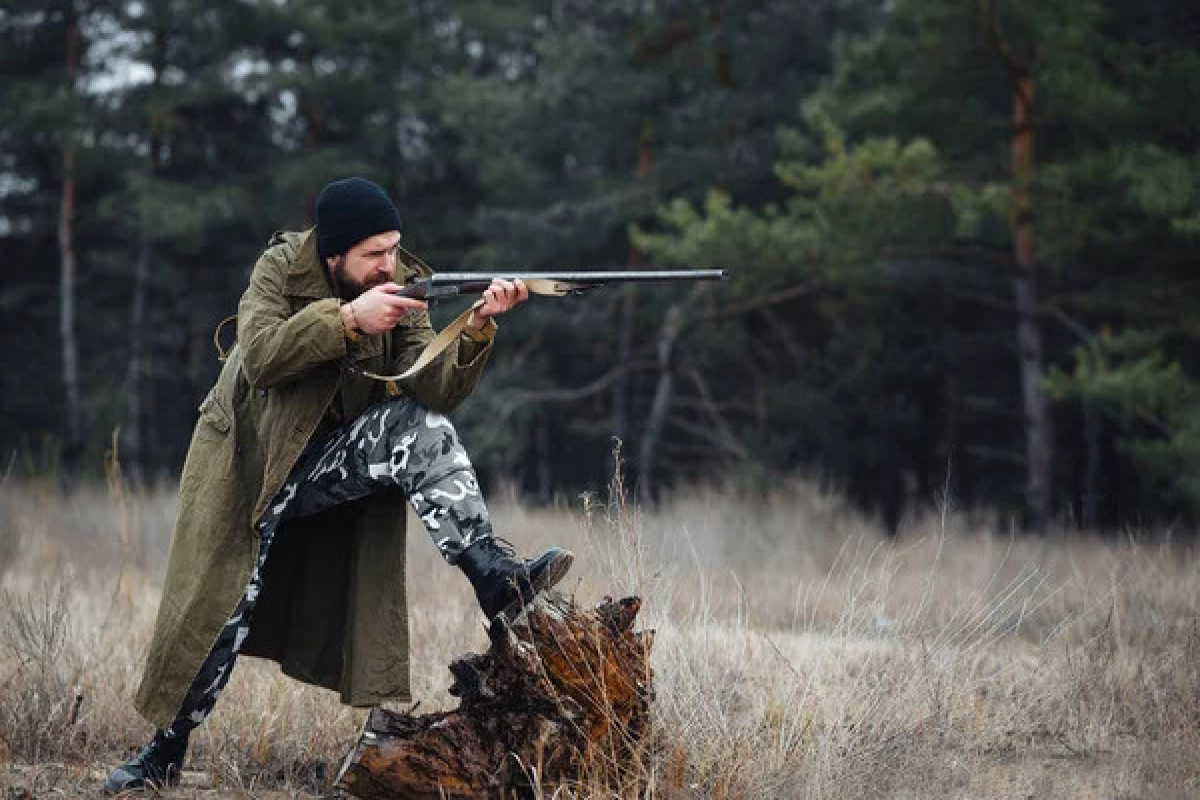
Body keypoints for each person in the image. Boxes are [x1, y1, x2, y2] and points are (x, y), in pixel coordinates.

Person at [104, 177, 574, 792]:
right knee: (219, 617)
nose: (390, 264)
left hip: (328, 461)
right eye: (374, 254)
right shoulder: (278, 269)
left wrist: (480, 323)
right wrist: (348, 319)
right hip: (253, 467)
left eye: (395, 249)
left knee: (419, 425)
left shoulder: (403, 282)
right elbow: (263, 355)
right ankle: (166, 750)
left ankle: (492, 575)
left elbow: (434, 393)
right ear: (333, 256)